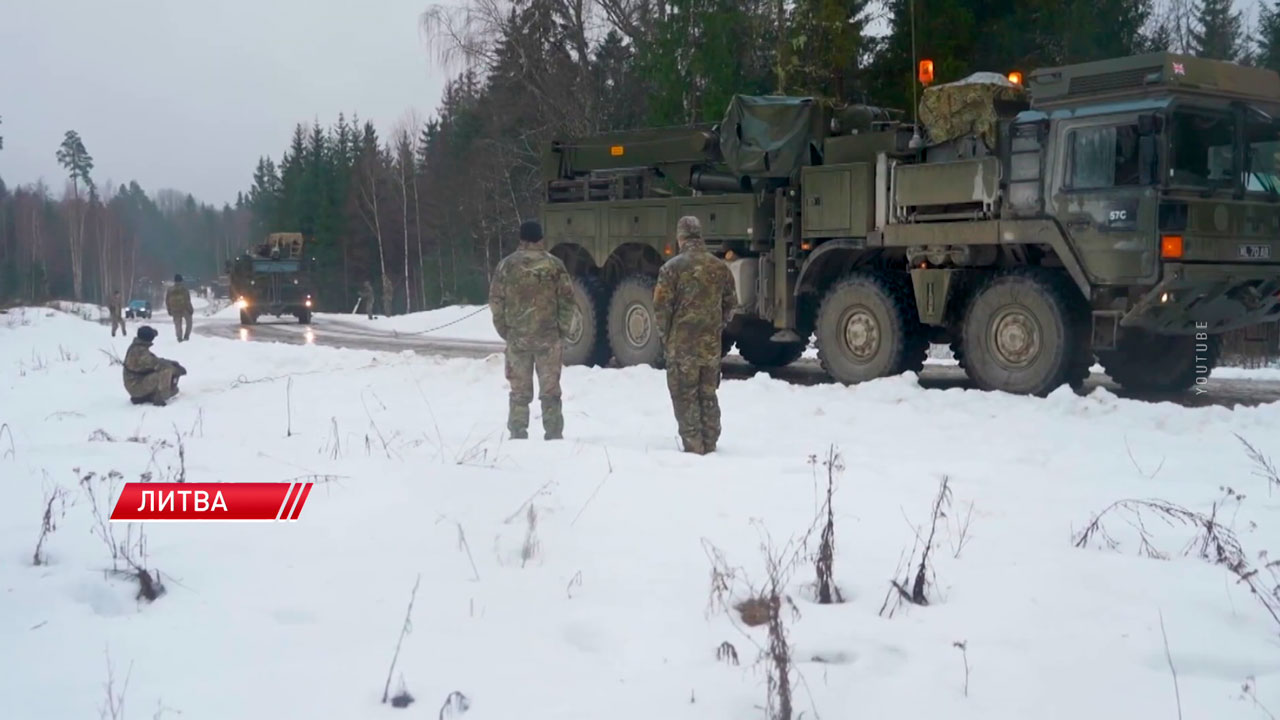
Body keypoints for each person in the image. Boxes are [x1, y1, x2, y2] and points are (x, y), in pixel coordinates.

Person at [652, 216, 737, 454]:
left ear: (680, 237)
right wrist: (716, 325)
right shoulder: (720, 267)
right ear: (700, 236)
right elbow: (731, 304)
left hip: (682, 346)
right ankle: (710, 443)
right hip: (710, 346)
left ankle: (694, 448)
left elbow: (661, 308)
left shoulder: (671, 269)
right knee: (707, 394)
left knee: (685, 395)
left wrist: (667, 337)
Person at [488, 219, 575, 440]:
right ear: (540, 238)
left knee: (518, 392)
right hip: (549, 339)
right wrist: (561, 330)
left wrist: (505, 330)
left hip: (518, 339)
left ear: (521, 238)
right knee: (551, 391)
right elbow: (567, 300)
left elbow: (496, 300)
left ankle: (518, 434)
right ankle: (554, 434)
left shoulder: (506, 266)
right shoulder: (554, 265)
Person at [122, 325, 187, 406]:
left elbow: (155, 361)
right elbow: (158, 364)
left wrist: (172, 362)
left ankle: (144, 397)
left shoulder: (137, 347)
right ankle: (160, 398)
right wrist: (176, 369)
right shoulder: (140, 352)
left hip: (135, 382)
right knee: (166, 371)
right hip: (135, 386)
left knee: (166, 371)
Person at [166, 274, 194, 342]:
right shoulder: (184, 289)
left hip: (174, 310)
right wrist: (191, 309)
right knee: (189, 322)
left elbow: (167, 301)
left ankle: (179, 338)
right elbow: (187, 300)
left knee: (178, 324)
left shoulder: (170, 290)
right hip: (184, 309)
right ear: (181, 280)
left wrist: (169, 310)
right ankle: (186, 336)